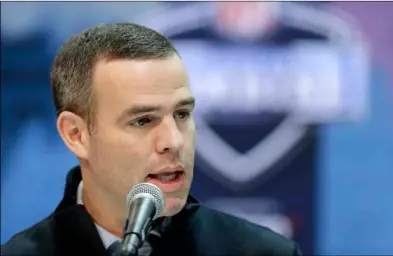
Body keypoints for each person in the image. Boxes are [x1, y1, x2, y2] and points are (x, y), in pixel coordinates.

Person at [1, 23, 302, 256]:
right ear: (75, 135)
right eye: (142, 120)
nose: (174, 141)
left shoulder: (264, 252)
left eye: (182, 114)